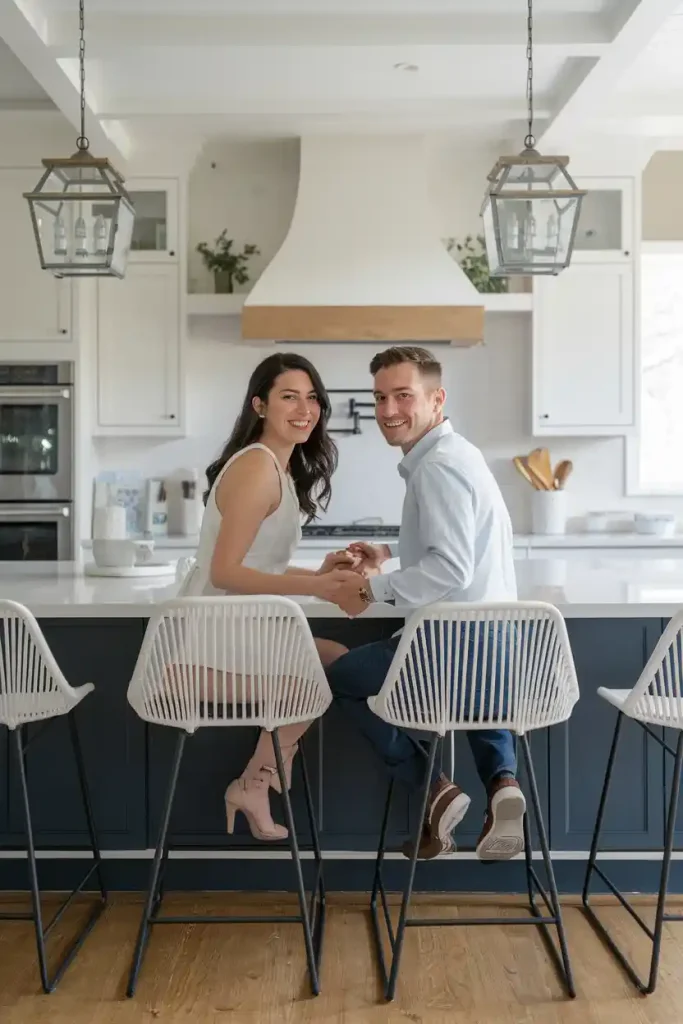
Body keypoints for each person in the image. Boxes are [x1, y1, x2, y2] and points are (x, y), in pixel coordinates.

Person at [327, 346, 525, 861]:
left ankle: (436, 789)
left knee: (342, 679)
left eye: (403, 396)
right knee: (481, 698)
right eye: (380, 398)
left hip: (450, 648)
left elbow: (452, 568)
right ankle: (502, 782)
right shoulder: (460, 454)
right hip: (498, 652)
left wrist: (373, 588)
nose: (388, 410)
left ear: (436, 399)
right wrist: (393, 552)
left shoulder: (435, 467)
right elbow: (462, 544)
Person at [179, 352, 361, 842]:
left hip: (231, 633)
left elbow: (255, 563)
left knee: (335, 662)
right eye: (289, 397)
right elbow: (224, 572)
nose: (305, 408)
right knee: (313, 683)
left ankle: (256, 779)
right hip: (200, 647)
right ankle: (256, 780)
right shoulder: (257, 468)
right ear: (259, 405)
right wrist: (317, 587)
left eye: (312, 398)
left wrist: (317, 571)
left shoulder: (276, 468)